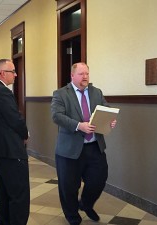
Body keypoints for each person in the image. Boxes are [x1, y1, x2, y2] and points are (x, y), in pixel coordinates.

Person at [51, 62, 117, 225]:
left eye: (87, 73)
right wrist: (78, 125)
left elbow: (106, 108)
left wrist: (110, 120)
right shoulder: (60, 94)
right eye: (81, 74)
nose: (85, 77)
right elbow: (57, 116)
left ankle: (86, 204)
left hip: (94, 146)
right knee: (69, 186)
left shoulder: (96, 92)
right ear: (72, 76)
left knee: (99, 179)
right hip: (69, 149)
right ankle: (72, 215)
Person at [0, 59, 30, 225]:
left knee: (3, 191)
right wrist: (26, 133)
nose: (16, 74)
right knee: (19, 194)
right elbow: (15, 120)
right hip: (10, 151)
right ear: (2, 73)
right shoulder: (2, 92)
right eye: (13, 71)